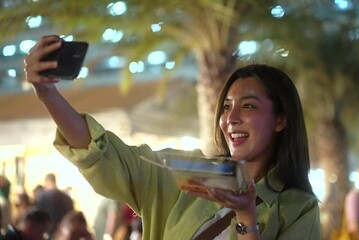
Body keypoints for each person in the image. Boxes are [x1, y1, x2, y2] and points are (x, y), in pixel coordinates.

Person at [24, 35, 320, 239]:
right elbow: (105, 154)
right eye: (226, 106)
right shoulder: (187, 174)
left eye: (248, 106)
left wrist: (246, 216)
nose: (231, 118)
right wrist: (47, 93)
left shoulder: (297, 208)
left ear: (281, 120)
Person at [35, 173, 74, 237]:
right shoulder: (66, 198)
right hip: (62, 234)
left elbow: (38, 216)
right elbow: (71, 217)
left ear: (46, 182)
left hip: (46, 232)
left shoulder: (42, 196)